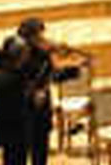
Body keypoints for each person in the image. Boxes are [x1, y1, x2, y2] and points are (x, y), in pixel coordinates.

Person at [18, 18, 86, 165]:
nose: (42, 38)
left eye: (41, 34)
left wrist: (74, 69)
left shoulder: (43, 55)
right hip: (23, 113)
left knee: (40, 155)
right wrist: (32, 94)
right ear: (27, 37)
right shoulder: (16, 56)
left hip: (42, 112)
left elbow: (53, 76)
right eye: (38, 35)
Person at [0, 35, 32, 165]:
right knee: (13, 159)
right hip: (10, 126)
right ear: (17, 55)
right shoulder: (6, 74)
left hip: (16, 125)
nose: (27, 56)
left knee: (18, 158)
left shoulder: (11, 69)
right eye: (25, 53)